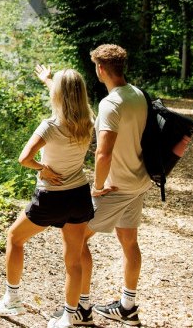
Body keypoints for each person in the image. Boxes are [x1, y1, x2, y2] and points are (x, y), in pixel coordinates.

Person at [0, 66, 95, 328]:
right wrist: (48, 80)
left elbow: (24, 159)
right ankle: (71, 315)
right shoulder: (89, 120)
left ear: (58, 94)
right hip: (80, 195)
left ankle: (12, 299)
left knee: (15, 237)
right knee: (74, 258)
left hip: (51, 198)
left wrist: (42, 168)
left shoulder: (49, 126)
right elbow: (70, 98)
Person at [81, 43, 152, 327]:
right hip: (138, 180)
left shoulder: (110, 103)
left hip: (115, 186)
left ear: (100, 69)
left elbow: (104, 152)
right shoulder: (138, 95)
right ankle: (128, 306)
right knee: (129, 242)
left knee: (76, 238)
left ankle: (80, 308)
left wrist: (97, 185)